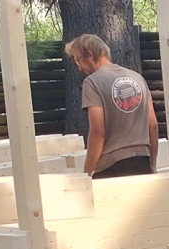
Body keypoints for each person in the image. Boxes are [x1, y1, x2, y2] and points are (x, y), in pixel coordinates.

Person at [65, 34, 159, 179]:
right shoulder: (137, 78)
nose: (79, 67)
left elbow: (97, 132)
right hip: (142, 162)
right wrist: (152, 164)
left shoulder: (92, 82)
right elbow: (153, 125)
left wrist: (86, 175)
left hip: (112, 168)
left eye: (78, 60)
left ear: (89, 55)